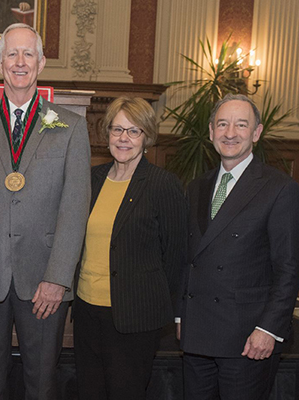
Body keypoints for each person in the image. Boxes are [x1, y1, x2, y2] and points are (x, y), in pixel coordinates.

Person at [0, 23, 91, 399]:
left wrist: (59, 278)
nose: (19, 61)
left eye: (28, 53)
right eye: (11, 53)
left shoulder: (71, 128)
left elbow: (75, 207)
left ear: (41, 62)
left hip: (45, 280)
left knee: (41, 385)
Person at [178, 94, 299, 400]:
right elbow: (187, 257)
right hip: (198, 335)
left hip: (247, 339)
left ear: (256, 133)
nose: (230, 132)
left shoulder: (280, 188)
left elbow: (288, 268)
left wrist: (269, 330)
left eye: (241, 125)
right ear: (210, 131)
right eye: (222, 124)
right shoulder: (197, 187)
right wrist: (182, 317)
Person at [73, 97, 187, 399]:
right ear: (106, 133)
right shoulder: (92, 179)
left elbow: (175, 257)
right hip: (86, 310)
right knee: (89, 392)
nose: (124, 138)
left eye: (134, 131)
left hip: (133, 318)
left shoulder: (163, 185)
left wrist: (176, 313)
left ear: (147, 136)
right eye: (117, 129)